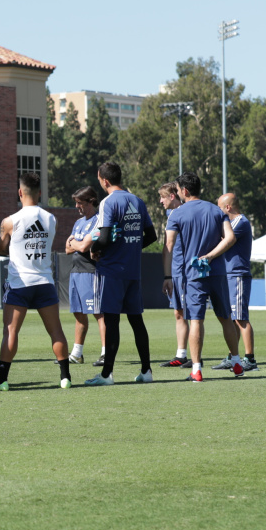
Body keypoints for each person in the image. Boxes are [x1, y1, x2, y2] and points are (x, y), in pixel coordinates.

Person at [0, 172, 71, 390]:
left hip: (19, 284)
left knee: (11, 331)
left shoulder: (10, 221)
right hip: (45, 281)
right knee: (56, 331)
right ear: (40, 193)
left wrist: (4, 237)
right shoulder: (51, 219)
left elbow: (1, 248)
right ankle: (65, 377)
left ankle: (1, 380)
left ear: (20, 193)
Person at [81, 162, 157, 386]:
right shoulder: (137, 201)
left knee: (111, 322)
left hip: (112, 271)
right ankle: (146, 371)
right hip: (133, 271)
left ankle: (107, 375)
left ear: (105, 181)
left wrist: (94, 249)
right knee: (136, 321)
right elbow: (151, 236)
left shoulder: (108, 202)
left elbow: (104, 238)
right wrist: (130, 247)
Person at [164, 172, 242, 382]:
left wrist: (167, 275)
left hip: (193, 275)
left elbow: (169, 245)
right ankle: (236, 362)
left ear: (184, 190)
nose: (177, 193)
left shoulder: (177, 214)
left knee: (196, 320)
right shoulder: (216, 210)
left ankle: (196, 369)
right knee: (225, 318)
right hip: (217, 273)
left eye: (178, 190)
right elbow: (230, 238)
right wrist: (210, 256)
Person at [215, 192, 257, 371]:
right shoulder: (232, 223)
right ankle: (233, 357)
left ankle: (250, 359)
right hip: (229, 275)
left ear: (228, 207)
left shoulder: (241, 222)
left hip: (238, 274)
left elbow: (225, 240)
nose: (218, 211)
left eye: (219, 207)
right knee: (233, 319)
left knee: (241, 318)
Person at [64, 186, 105, 366]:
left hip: (91, 272)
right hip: (76, 272)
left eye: (79, 203)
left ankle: (105, 353)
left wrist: (75, 242)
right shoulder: (78, 222)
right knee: (79, 314)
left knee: (99, 313)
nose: (77, 206)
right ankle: (76, 354)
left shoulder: (98, 221)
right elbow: (67, 249)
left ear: (90, 201)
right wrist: (77, 243)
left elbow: (82, 247)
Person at [157, 181, 191, 368]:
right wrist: (168, 275)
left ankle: (196, 356)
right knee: (178, 312)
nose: (160, 201)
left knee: (192, 314)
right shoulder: (170, 214)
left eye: (162, 197)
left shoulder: (186, 212)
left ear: (172, 196)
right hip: (176, 271)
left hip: (187, 271)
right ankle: (181, 355)